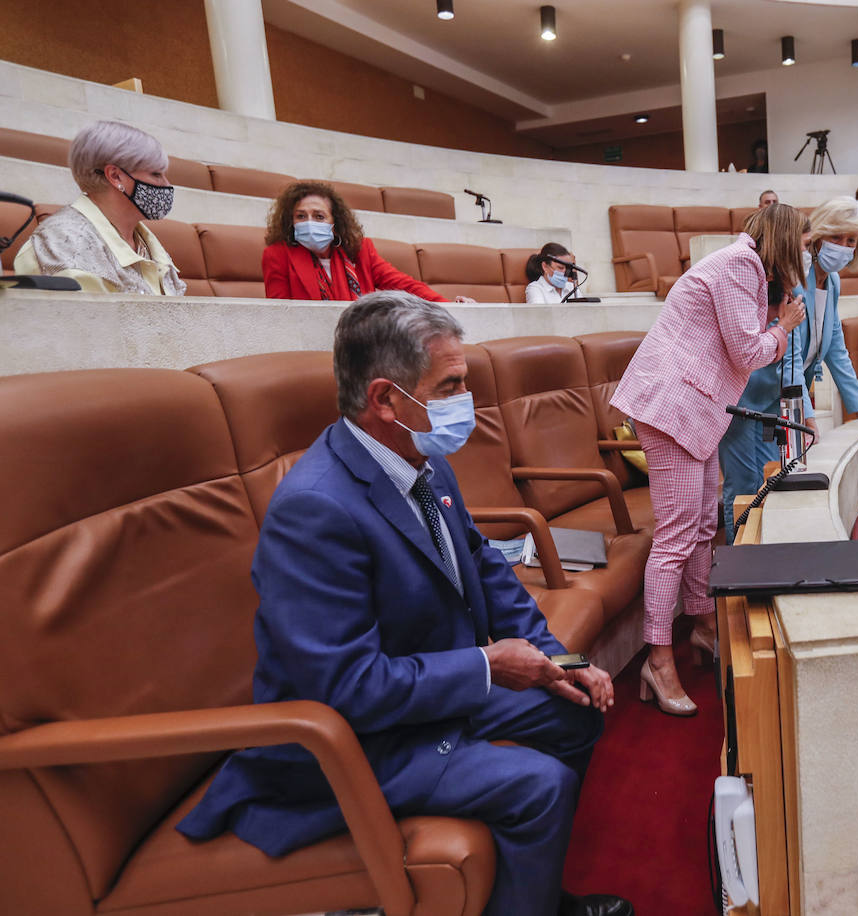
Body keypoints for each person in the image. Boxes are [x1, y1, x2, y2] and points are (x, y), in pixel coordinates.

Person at [177, 291, 629, 916]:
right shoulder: (315, 509)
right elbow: (344, 687)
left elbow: (485, 570)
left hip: (425, 695)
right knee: (540, 787)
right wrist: (486, 667)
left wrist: (562, 659)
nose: (465, 403)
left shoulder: (423, 458)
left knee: (573, 711)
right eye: (451, 385)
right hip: (355, 742)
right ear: (386, 398)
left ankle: (531, 893)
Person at [610, 204, 807, 715]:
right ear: (784, 240)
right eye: (803, 243)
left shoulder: (744, 265)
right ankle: (658, 657)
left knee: (702, 526)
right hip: (673, 405)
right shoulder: (740, 265)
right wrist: (782, 325)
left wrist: (773, 317)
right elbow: (746, 351)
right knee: (677, 534)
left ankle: (700, 625)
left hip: (692, 407)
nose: (805, 253)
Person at [719, 197, 858, 542]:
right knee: (744, 485)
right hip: (749, 398)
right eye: (836, 237)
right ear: (819, 236)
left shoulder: (833, 282)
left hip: (779, 402)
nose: (844, 247)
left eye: (851, 240)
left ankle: (761, 561)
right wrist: (806, 416)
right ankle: (736, 568)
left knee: (769, 481)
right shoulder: (795, 275)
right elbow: (788, 357)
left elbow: (835, 346)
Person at [14, 120, 185, 294]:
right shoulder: (64, 243)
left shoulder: (145, 243)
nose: (166, 185)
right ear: (115, 176)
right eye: (156, 174)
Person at [262, 180, 476, 303]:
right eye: (301, 216)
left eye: (319, 216)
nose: (309, 223)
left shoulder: (360, 250)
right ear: (290, 221)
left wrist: (449, 307)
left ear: (335, 222)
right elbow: (281, 313)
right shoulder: (277, 255)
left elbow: (404, 285)